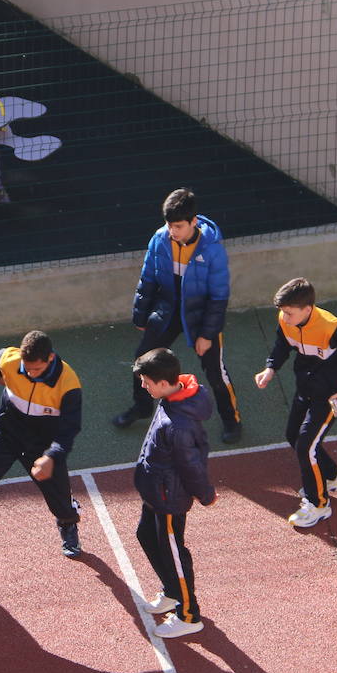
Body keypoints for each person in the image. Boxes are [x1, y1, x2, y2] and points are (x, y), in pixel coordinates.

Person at [0, 330, 84, 606]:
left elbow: (69, 431)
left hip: (42, 446)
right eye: (26, 369)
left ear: (51, 358)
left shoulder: (68, 384)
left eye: (37, 369)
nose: (31, 374)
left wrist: (52, 456)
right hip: (4, 435)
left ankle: (68, 522)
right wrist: (5, 380)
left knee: (59, 501)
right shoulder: (11, 361)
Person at [112, 187, 242, 443]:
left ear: (194, 222)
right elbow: (147, 279)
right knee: (142, 359)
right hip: (168, 309)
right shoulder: (160, 239)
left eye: (179, 226)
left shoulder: (212, 250)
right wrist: (141, 317)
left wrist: (207, 334)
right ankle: (142, 407)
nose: (173, 231)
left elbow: (218, 298)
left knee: (216, 372)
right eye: (170, 225)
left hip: (200, 316)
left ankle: (232, 420)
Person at [254, 277, 337, 528]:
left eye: (289, 313)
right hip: (305, 388)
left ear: (308, 310)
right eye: (282, 313)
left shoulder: (332, 327)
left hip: (329, 395)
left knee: (306, 446)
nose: (284, 318)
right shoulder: (287, 321)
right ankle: (332, 476)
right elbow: (282, 345)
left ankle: (318, 505)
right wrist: (270, 369)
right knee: (293, 436)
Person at [131, 348, 216, 639]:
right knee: (145, 535)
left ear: (164, 382)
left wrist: (205, 493)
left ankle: (189, 614)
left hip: (169, 497)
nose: (143, 386)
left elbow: (191, 464)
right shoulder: (171, 398)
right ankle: (171, 590)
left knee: (173, 552)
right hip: (156, 489)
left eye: (147, 382)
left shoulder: (178, 424)